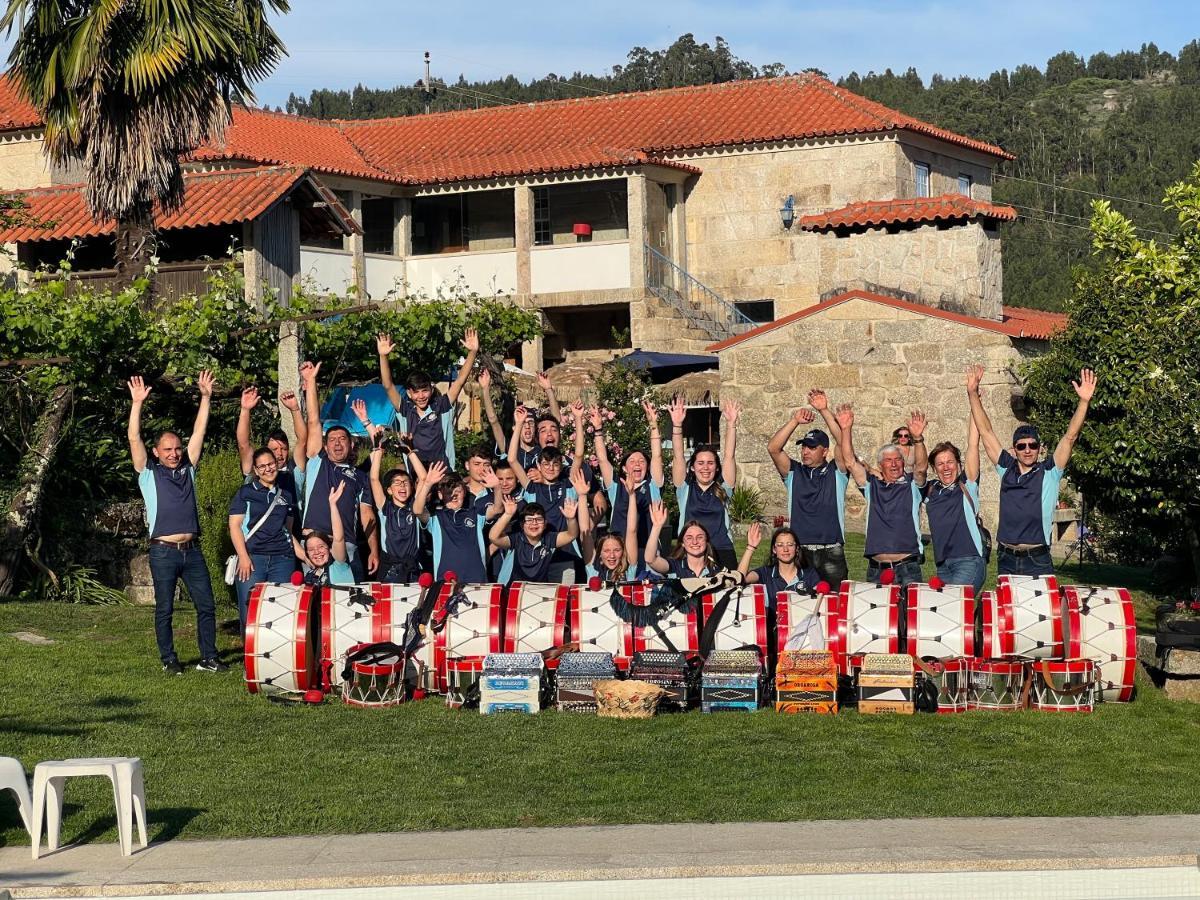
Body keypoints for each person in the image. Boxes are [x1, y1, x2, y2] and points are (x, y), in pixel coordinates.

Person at [127, 371, 226, 675]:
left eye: (177, 449)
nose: (173, 453)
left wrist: (206, 396)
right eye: (167, 449)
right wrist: (137, 404)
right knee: (165, 609)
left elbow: (199, 430)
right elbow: (134, 437)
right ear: (157, 452)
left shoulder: (188, 469)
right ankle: (169, 659)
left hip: (192, 551)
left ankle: (209, 658)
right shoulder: (148, 473)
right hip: (163, 552)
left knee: (206, 606)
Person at [967, 363, 1097, 577]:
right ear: (1014, 450)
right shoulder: (1005, 468)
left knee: (1041, 611)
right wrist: (973, 394)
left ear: (1040, 449)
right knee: (1006, 611)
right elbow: (986, 431)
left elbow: (1070, 437)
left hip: (1037, 559)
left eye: (1032, 445)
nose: (1027, 450)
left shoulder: (1050, 472)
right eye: (1021, 446)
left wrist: (1083, 402)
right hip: (1006, 557)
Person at [300, 361, 378, 580]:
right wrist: (311, 381)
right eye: (332, 439)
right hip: (315, 543)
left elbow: (367, 515)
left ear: (351, 444)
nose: (337, 443)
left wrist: (373, 549)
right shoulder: (318, 462)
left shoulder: (361, 476)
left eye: (342, 439)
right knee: (313, 607)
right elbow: (314, 422)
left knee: (351, 605)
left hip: (347, 547)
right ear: (325, 446)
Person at [837, 403, 929, 587]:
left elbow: (921, 468)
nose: (894, 465)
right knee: (877, 616)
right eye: (889, 461)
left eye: (898, 460)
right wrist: (846, 429)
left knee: (909, 615)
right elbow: (850, 462)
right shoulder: (872, 486)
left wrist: (918, 439)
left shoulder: (912, 485)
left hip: (907, 568)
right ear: (880, 466)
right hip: (876, 569)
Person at [766, 389, 851, 586]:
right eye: (804, 446)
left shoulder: (836, 472)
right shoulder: (794, 472)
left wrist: (824, 410)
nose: (805, 451)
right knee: (800, 603)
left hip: (831, 549)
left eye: (812, 447)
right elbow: (773, 448)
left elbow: (842, 441)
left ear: (825, 451)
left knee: (835, 604)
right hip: (800, 549)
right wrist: (794, 421)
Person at [377, 328, 479, 470]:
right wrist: (383, 356)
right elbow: (388, 385)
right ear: (409, 393)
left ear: (431, 390)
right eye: (416, 392)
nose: (421, 396)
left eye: (425, 391)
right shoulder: (405, 410)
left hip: (444, 472)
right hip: (416, 474)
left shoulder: (442, 405)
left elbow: (460, 380)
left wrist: (472, 352)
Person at [228, 447, 302, 632]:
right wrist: (243, 557)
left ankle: (276, 658)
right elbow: (234, 526)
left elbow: (287, 530)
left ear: (277, 464)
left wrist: (304, 556)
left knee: (280, 612)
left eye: (270, 464)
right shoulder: (245, 492)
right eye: (262, 466)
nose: (267, 469)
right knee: (249, 613)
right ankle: (251, 658)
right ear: (255, 470)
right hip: (253, 559)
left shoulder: (286, 494)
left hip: (282, 560)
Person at [508, 405, 583, 582]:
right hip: (538, 556)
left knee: (563, 605)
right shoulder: (533, 489)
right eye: (546, 464)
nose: (551, 468)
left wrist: (578, 419)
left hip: (565, 556)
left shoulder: (569, 486)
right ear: (539, 466)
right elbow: (512, 460)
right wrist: (518, 424)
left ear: (561, 465)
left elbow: (579, 454)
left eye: (555, 464)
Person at [669, 396, 740, 569]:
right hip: (689, 551)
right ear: (692, 467)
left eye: (710, 463)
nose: (705, 468)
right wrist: (677, 425)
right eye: (700, 463)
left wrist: (731, 424)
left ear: (717, 468)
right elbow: (678, 456)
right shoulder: (685, 489)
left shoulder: (724, 488)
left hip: (722, 550)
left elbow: (729, 455)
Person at [922, 414, 987, 596]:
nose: (946, 467)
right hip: (943, 565)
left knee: (953, 604)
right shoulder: (930, 490)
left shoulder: (967, 484)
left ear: (958, 464)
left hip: (969, 561)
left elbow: (973, 444)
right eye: (940, 464)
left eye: (950, 462)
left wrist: (974, 401)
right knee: (947, 615)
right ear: (934, 469)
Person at [591, 399, 663, 563]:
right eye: (632, 461)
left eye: (642, 461)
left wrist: (653, 424)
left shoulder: (653, 485)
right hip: (619, 553)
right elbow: (602, 460)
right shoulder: (616, 486)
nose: (637, 464)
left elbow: (657, 455)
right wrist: (598, 429)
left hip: (649, 552)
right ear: (624, 468)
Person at [413, 461, 489, 583]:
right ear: (440, 495)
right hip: (445, 580)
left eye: (457, 492)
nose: (453, 496)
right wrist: (427, 484)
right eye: (448, 493)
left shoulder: (476, 514)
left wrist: (497, 487)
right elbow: (417, 510)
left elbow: (498, 509)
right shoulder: (436, 518)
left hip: (477, 581)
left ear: (464, 492)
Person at [235, 385, 307, 501]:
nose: (279, 454)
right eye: (274, 450)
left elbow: (302, 440)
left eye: (283, 449)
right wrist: (245, 410)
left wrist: (295, 409)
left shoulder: (294, 472)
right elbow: (243, 445)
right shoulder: (255, 471)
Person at [489, 495, 580, 583]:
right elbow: (493, 537)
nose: (534, 523)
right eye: (529, 519)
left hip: (539, 590)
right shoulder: (516, 539)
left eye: (539, 519)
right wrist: (508, 514)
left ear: (545, 524)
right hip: (515, 589)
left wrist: (571, 519)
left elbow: (571, 535)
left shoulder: (549, 539)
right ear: (522, 525)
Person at [737, 522, 817, 607]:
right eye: (780, 545)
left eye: (790, 545)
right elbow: (739, 579)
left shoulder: (809, 574)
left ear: (797, 548)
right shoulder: (765, 573)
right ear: (774, 550)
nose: (785, 549)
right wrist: (751, 547)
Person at [644, 501, 729, 579]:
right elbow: (650, 559)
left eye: (700, 537)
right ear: (682, 543)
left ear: (706, 542)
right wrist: (656, 526)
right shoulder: (674, 566)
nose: (695, 542)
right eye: (689, 538)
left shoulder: (716, 570)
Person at [584, 472, 641, 585]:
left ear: (623, 552)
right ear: (599, 553)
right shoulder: (593, 570)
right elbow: (585, 530)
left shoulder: (629, 570)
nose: (612, 556)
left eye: (617, 550)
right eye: (606, 551)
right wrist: (582, 496)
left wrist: (632, 495)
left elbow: (631, 530)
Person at [301, 482, 355, 587]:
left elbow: (339, 538)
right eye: (311, 549)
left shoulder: (339, 565)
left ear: (330, 548)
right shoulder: (309, 576)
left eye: (321, 547)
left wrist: (333, 504)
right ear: (307, 554)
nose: (316, 552)